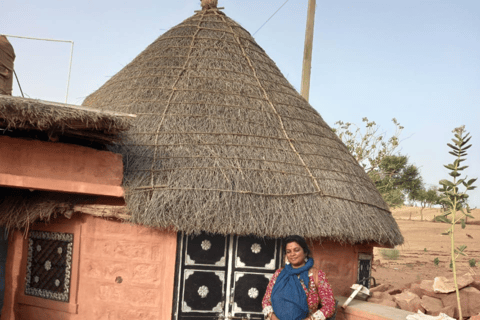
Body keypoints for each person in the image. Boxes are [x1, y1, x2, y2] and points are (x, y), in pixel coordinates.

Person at [262, 235, 335, 320]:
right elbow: (266, 300)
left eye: (296, 250)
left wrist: (310, 319)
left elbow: (330, 305)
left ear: (305, 252)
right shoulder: (279, 274)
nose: (292, 254)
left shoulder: (316, 275)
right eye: (288, 251)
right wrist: (273, 317)